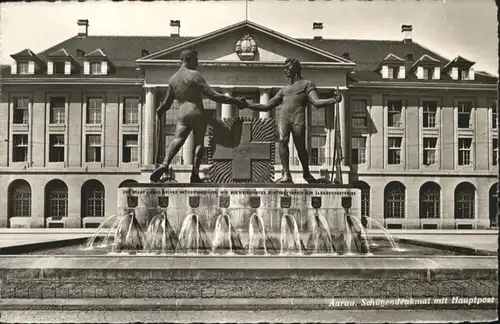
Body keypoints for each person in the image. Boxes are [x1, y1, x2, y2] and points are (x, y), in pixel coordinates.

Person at [150, 49, 247, 183]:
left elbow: (166, 104)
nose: (197, 64)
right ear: (188, 59)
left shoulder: (172, 79)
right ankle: (194, 174)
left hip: (182, 113)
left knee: (177, 139)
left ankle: (165, 164)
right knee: (199, 143)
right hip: (196, 111)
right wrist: (235, 101)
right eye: (196, 61)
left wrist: (159, 110)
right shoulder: (195, 75)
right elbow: (214, 96)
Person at [243, 58, 343, 183]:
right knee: (282, 141)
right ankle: (286, 174)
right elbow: (266, 106)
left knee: (300, 146)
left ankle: (306, 174)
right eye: (284, 68)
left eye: (288, 67)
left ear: (295, 68)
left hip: (297, 118)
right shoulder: (283, 90)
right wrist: (248, 105)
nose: (285, 70)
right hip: (283, 119)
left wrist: (333, 100)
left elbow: (316, 102)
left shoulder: (307, 84)